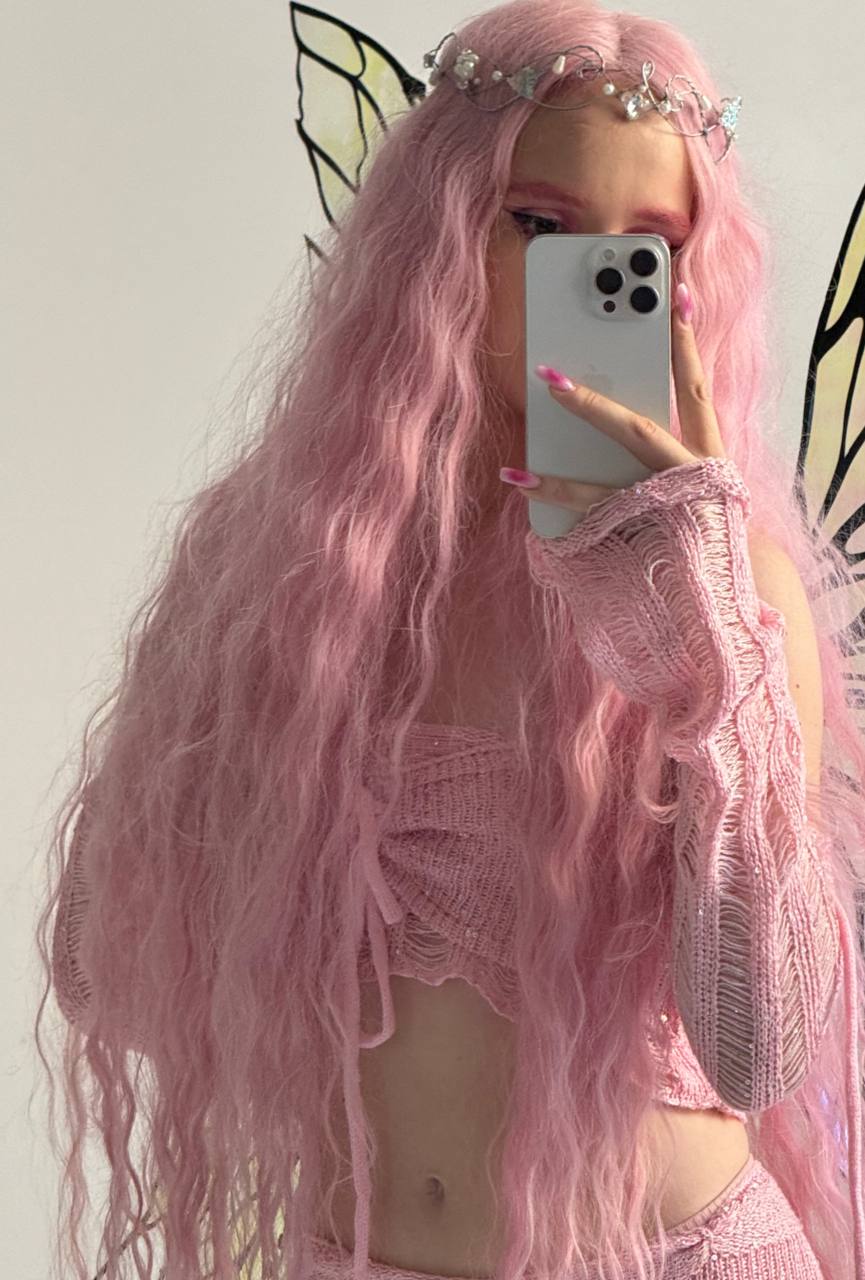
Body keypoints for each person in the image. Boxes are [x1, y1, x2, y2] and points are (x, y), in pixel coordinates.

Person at [38, 3, 865, 1279]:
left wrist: (696, 634)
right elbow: (106, 977)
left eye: (644, 247)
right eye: (538, 223)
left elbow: (760, 1048)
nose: (593, 285)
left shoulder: (734, 586)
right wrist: (267, 799)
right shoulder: (291, 564)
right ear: (434, 234)